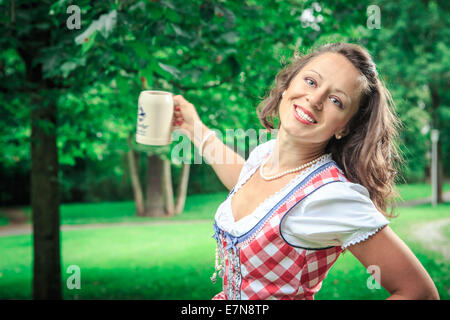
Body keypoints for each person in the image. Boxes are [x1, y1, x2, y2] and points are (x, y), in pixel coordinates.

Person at [170, 42, 439, 300]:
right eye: (311, 81)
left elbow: (420, 292)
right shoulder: (265, 155)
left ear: (343, 127)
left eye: (336, 100)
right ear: (288, 86)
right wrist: (194, 128)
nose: (315, 99)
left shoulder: (332, 196)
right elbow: (244, 182)